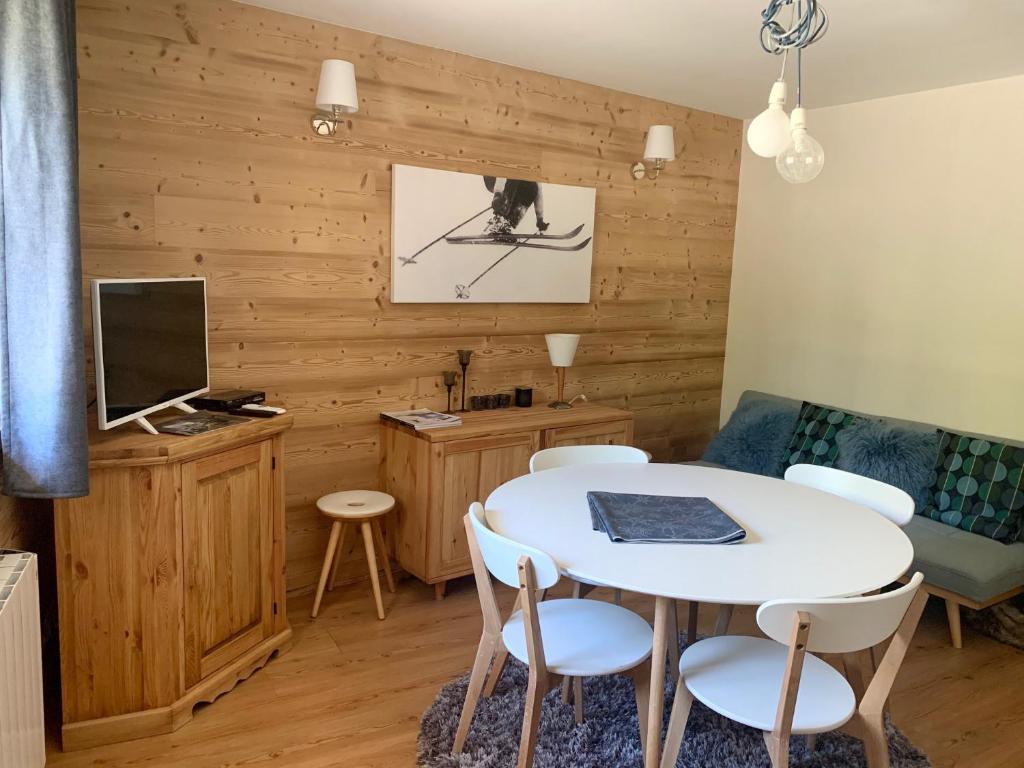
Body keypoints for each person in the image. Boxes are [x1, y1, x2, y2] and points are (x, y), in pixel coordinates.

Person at [482, 176, 548, 235]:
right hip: (494, 177)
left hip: (514, 180)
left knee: (532, 186)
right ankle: (499, 218)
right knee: (514, 175)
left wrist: (540, 219)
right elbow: (502, 170)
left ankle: (508, 222)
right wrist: (498, 193)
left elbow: (538, 192)